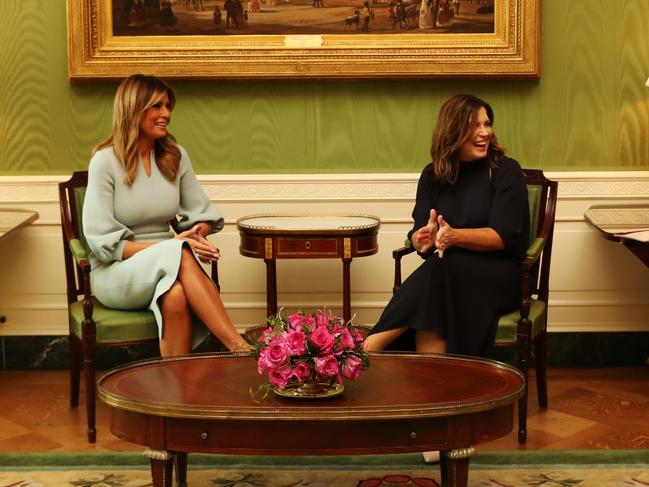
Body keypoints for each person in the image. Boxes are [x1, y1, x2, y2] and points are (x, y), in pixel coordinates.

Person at [82, 74, 251, 356]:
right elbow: (104, 243)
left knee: (175, 295)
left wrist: (198, 232)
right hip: (116, 271)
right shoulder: (104, 162)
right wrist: (172, 247)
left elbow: (201, 214)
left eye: (168, 106)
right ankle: (239, 348)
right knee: (181, 252)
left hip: (170, 264)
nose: (166, 114)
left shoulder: (175, 156)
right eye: (157, 107)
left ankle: (174, 392)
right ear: (133, 109)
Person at [365, 93, 529, 358]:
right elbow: (421, 233)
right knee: (437, 287)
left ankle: (370, 346)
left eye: (487, 124)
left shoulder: (505, 171)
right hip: (447, 275)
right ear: (452, 131)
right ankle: (437, 391)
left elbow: (502, 236)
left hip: (499, 275)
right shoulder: (433, 175)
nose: (484, 132)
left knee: (438, 273)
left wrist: (454, 236)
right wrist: (422, 239)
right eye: (474, 126)